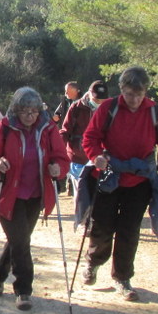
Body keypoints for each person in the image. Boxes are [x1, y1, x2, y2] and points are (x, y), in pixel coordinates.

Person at [81, 67, 158, 301]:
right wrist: (96, 156)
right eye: (130, 94)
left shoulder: (155, 112)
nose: (135, 99)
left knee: (129, 230)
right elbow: (90, 138)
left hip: (140, 179)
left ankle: (122, 277)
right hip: (110, 175)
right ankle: (93, 262)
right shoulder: (108, 108)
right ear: (122, 90)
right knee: (102, 226)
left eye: (139, 94)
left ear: (145, 91)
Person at [0, 87, 70, 311]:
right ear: (16, 111)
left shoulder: (48, 129)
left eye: (34, 111)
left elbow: (62, 158)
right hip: (8, 195)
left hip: (36, 196)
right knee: (21, 241)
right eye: (25, 111)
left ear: (40, 111)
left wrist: (58, 168)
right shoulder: (6, 128)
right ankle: (24, 290)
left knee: (19, 239)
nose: (30, 116)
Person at [61, 79, 109, 225]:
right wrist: (57, 150)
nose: (99, 102)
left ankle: (95, 221)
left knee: (100, 193)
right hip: (78, 158)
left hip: (101, 159)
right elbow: (65, 130)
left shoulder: (111, 108)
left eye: (102, 99)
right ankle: (83, 222)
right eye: (96, 99)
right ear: (89, 94)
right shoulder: (76, 108)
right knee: (81, 194)